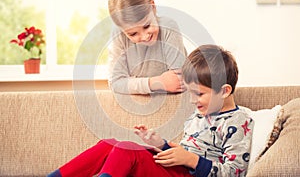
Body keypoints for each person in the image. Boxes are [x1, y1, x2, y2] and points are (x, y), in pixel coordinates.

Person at [48, 44, 254, 177]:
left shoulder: (239, 120)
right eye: (190, 93)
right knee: (109, 144)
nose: (193, 101)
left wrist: (190, 160)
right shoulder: (201, 114)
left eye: (199, 94)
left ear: (225, 91)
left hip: (188, 174)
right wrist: (161, 144)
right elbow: (182, 153)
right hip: (177, 170)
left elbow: (234, 172)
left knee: (125, 149)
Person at [107, 0, 187, 94]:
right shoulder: (118, 34)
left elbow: (178, 81)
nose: (145, 37)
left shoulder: (168, 27)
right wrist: (156, 82)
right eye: (133, 34)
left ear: (152, 7)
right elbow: (116, 83)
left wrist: (132, 83)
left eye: (147, 26)